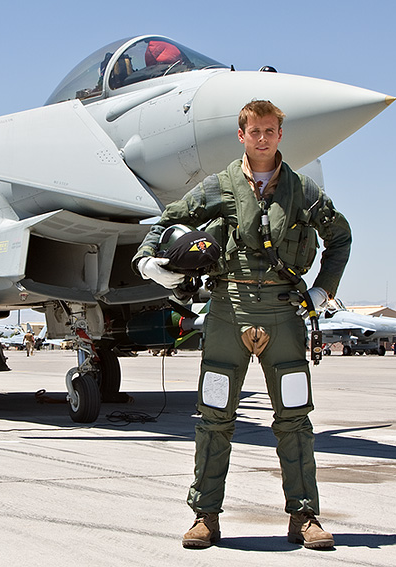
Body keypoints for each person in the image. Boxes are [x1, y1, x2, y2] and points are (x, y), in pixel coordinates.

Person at [133, 100, 351, 550]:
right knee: (214, 418)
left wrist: (322, 292)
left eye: (270, 131)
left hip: (284, 312)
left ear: (280, 135)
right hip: (227, 312)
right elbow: (169, 220)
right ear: (242, 135)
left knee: (295, 419)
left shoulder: (303, 191)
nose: (263, 138)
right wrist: (147, 261)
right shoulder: (220, 186)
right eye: (255, 131)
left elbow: (340, 237)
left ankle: (304, 517)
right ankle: (205, 516)